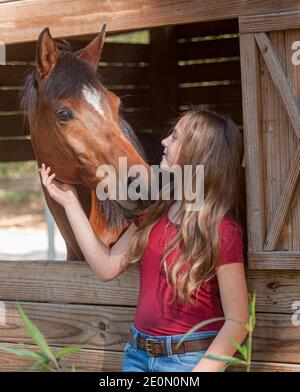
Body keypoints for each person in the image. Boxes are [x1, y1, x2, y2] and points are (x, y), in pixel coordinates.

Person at [39, 108, 249, 372]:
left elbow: (238, 321)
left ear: (198, 154)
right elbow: (106, 266)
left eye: (174, 137)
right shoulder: (155, 213)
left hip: (186, 362)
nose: (164, 141)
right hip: (137, 356)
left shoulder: (223, 231)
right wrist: (69, 202)